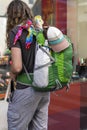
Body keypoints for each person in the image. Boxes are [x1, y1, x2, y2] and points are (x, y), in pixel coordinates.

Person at [6, 0, 50, 130]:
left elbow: (17, 66)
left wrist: (12, 74)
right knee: (39, 127)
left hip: (26, 88)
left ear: (12, 15)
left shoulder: (16, 32)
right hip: (43, 87)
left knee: (16, 126)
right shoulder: (39, 30)